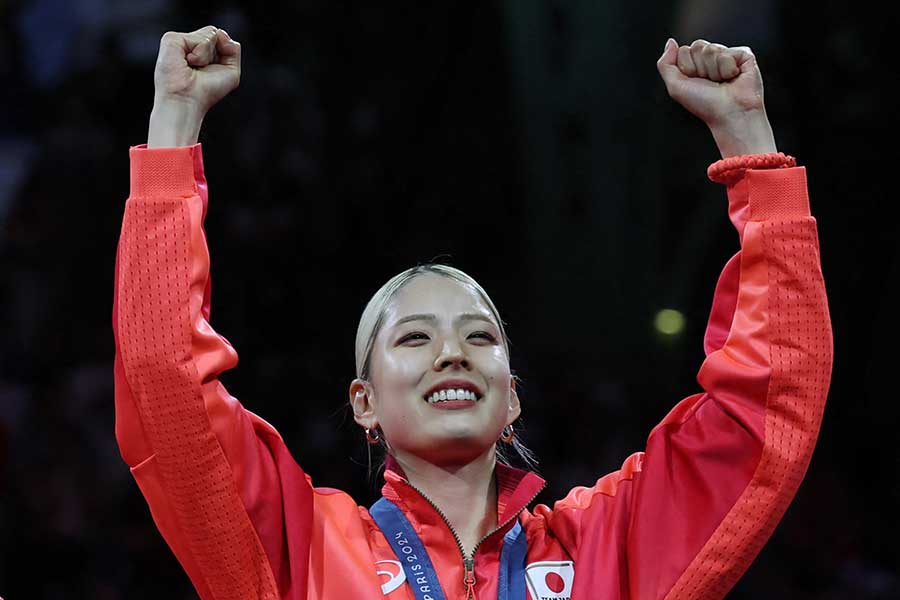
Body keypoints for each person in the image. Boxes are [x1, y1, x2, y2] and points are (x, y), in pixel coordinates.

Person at [112, 26, 833, 600]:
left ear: (511, 396)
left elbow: (765, 402)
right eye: (415, 337)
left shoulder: (612, 548)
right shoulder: (297, 551)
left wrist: (748, 144)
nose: (451, 353)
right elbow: (165, 380)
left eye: (480, 336)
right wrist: (174, 126)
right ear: (363, 402)